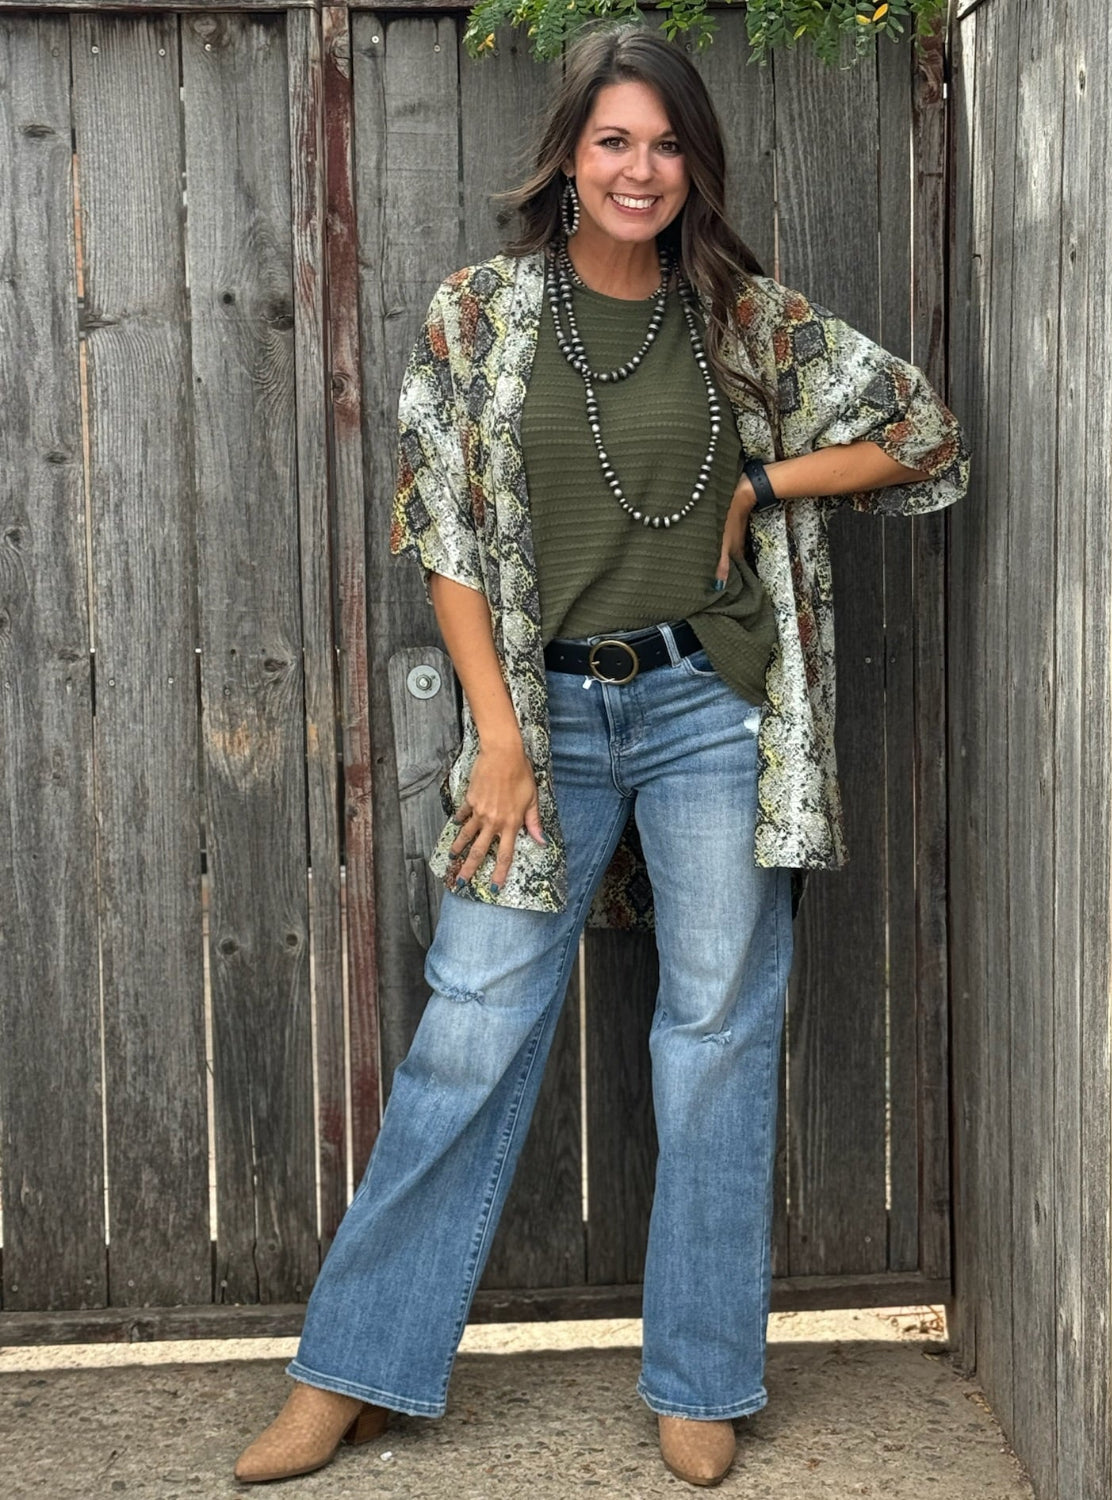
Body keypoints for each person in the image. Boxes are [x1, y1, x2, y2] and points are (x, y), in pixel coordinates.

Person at [234, 20, 970, 1490]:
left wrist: (762, 481)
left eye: (667, 143)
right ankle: (352, 1371)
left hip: (709, 710)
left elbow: (926, 436)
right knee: (469, 1025)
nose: (642, 169)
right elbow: (443, 530)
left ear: (697, 163)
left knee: (715, 1036)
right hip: (545, 723)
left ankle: (702, 1376)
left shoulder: (744, 322)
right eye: (614, 140)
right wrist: (501, 740)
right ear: (567, 156)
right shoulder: (483, 315)